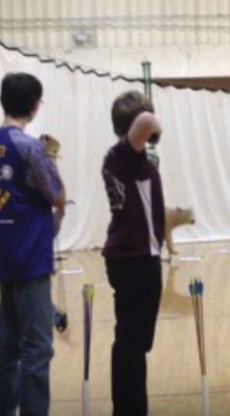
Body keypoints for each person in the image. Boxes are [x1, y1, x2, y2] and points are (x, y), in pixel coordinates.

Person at [0, 72, 66, 416]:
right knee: (37, 348)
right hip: (31, 256)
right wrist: (52, 161)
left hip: (4, 254)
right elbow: (58, 196)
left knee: (8, 346)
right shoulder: (29, 146)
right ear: (34, 106)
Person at [101, 90, 164, 416]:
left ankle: (132, 409)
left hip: (140, 257)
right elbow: (147, 121)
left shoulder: (130, 158)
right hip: (133, 259)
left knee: (135, 343)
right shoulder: (123, 155)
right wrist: (154, 127)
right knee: (130, 343)